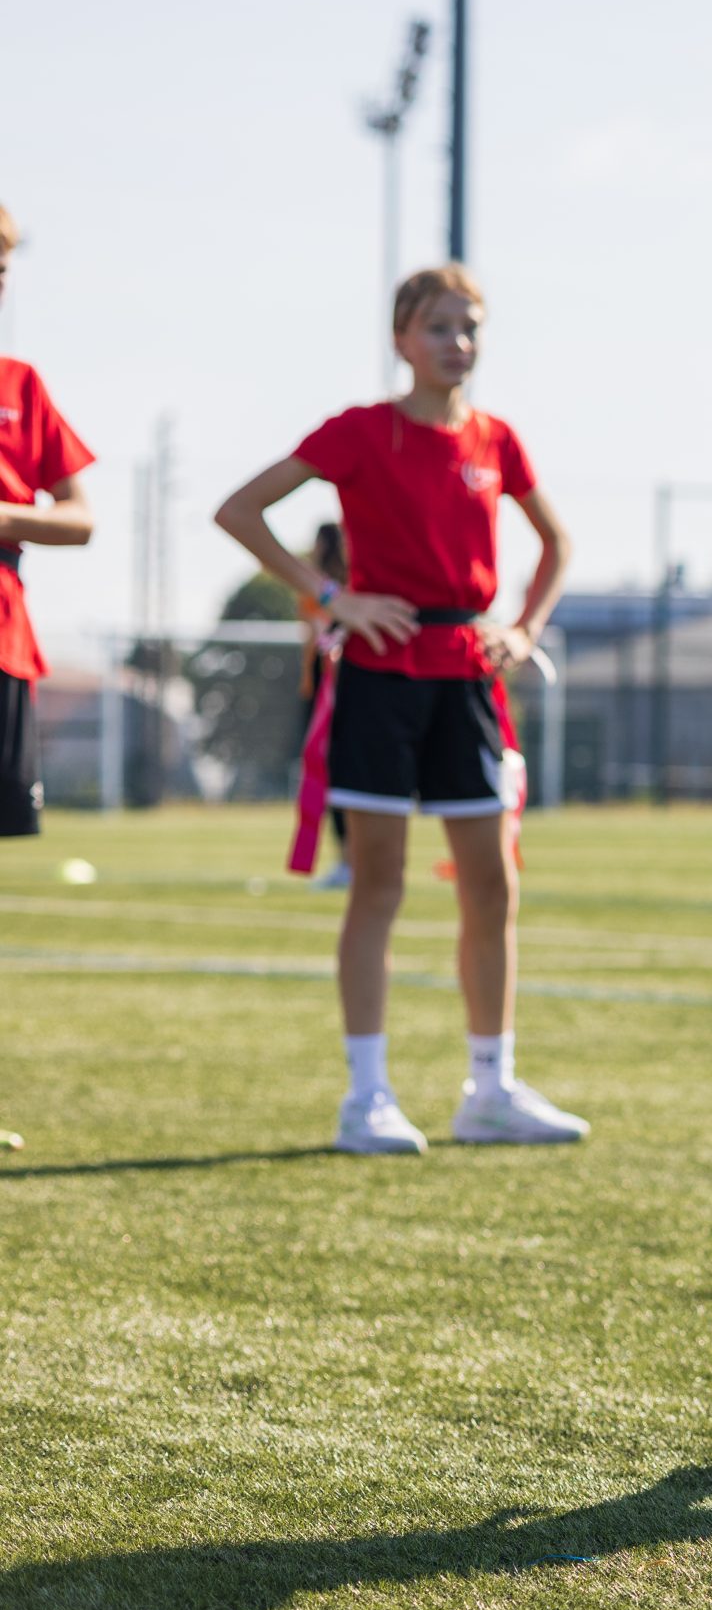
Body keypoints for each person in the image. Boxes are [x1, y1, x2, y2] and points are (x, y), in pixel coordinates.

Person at [212, 264, 586, 1156]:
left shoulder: (496, 438)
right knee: (377, 882)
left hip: (468, 679)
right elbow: (240, 510)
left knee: (492, 883)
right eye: (439, 327)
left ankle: (489, 1089)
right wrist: (329, 596)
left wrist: (524, 628)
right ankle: (367, 1097)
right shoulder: (358, 431)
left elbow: (556, 541)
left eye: (471, 326)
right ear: (401, 339)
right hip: (380, 679)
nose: (458, 342)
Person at [0, 202, 98, 838]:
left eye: (1, 267)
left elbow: (80, 518)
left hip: (5, 634)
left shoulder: (20, 384)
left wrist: (6, 518)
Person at [296, 523, 352, 887]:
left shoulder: (318, 588)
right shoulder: (341, 586)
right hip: (333, 683)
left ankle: (349, 861)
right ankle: (350, 861)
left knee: (334, 774)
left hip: (332, 686)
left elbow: (317, 635)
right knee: (335, 775)